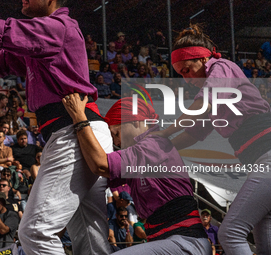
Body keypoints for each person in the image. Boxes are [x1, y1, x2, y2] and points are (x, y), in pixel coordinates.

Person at [0, 0, 114, 254]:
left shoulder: (56, 26)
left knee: (35, 232)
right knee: (90, 237)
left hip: (72, 129)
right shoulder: (47, 35)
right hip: (82, 129)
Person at [151, 24, 271, 255]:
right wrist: (160, 146)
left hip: (267, 159)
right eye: (181, 75)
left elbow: (203, 102)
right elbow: (193, 133)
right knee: (265, 242)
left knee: (230, 232)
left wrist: (165, 132)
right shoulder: (216, 97)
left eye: (187, 70)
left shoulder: (222, 66)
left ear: (203, 59)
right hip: (260, 162)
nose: (186, 79)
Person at [62, 94, 211, 254]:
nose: (116, 143)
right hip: (174, 242)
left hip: (186, 241)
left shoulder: (153, 145)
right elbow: (98, 174)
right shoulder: (145, 153)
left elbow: (101, 165)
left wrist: (79, 118)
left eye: (116, 133)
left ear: (134, 121)